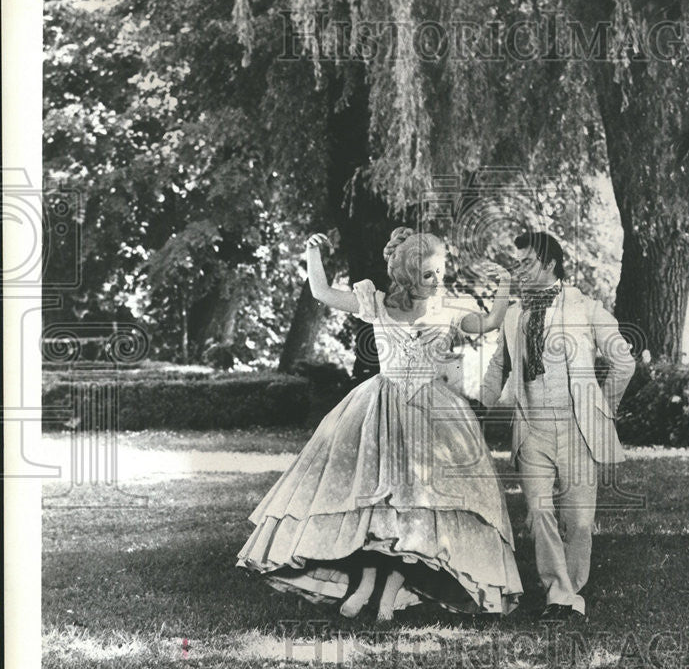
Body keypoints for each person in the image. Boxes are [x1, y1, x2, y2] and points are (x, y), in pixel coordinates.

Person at [237, 227, 522, 621]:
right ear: (407, 274)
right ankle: (367, 585)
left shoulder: (449, 310)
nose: (437, 280)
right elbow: (321, 293)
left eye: (440, 272)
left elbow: (490, 323)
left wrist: (505, 284)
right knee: (376, 503)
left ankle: (390, 593)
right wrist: (313, 254)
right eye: (428, 274)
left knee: (416, 509)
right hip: (380, 407)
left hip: (433, 414)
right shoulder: (377, 302)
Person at [480, 231, 635, 621]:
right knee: (539, 512)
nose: (518, 271)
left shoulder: (584, 306)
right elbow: (500, 364)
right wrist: (477, 409)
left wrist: (603, 408)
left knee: (579, 521)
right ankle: (559, 596)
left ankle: (568, 589)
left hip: (578, 426)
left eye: (526, 263)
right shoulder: (514, 313)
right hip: (531, 427)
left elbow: (624, 361)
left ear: (550, 264)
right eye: (516, 264)